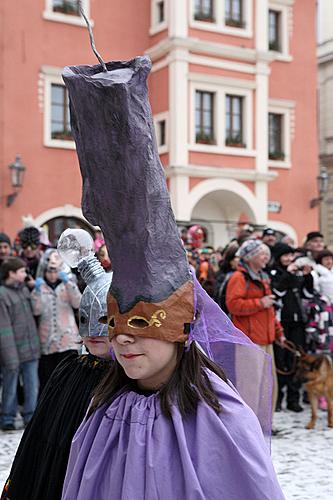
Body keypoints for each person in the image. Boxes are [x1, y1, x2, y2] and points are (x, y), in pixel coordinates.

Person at [60, 55, 285, 499]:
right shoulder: (103, 412)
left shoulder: (220, 420)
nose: (122, 339)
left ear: (182, 329)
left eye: (141, 322)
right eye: (115, 323)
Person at [1, 236, 113, 500]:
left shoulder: (134, 377)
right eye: (88, 320)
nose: (95, 330)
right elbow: (41, 438)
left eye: (106, 320)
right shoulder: (69, 373)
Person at [226, 239, 284, 416]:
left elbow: (270, 310)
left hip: (266, 339)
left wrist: (279, 332)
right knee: (249, 386)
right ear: (250, 257)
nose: (266, 256)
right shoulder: (239, 277)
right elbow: (233, 305)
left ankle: (264, 423)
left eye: (266, 253)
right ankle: (249, 424)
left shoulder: (263, 278)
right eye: (262, 253)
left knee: (268, 384)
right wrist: (260, 302)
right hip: (248, 340)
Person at [269, 242, 314, 412]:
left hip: (298, 323)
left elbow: (308, 294)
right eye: (285, 256)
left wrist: (307, 276)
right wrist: (288, 275)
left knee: (296, 358)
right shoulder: (274, 273)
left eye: (291, 256)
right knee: (280, 361)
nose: (289, 259)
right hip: (281, 323)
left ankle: (293, 399)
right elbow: (277, 292)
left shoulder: (296, 272)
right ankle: (278, 398)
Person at [31, 249, 82, 394]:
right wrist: (38, 291)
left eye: (55, 271)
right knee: (49, 378)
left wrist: (69, 284)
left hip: (68, 340)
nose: (52, 274)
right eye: (49, 271)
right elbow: (36, 310)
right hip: (48, 341)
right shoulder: (40, 288)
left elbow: (77, 303)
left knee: (67, 377)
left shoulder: (67, 286)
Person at [0, 257, 40, 431]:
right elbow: (4, 327)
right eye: (22, 271)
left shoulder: (24, 290)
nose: (25, 274)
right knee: (10, 385)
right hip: (13, 350)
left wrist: (33, 289)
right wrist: (10, 356)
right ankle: (7, 417)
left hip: (31, 347)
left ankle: (30, 416)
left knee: (32, 384)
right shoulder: (2, 294)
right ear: (11, 273)